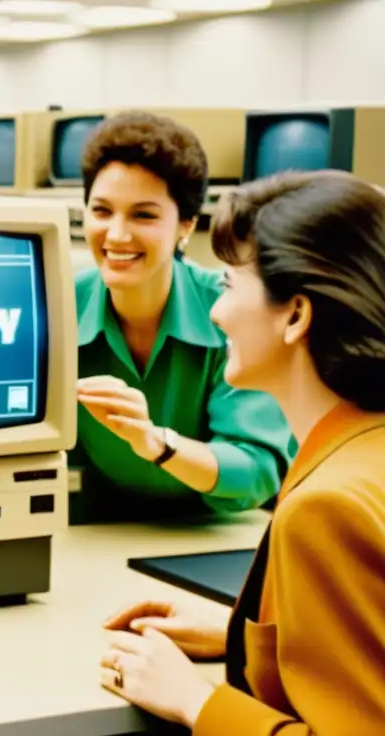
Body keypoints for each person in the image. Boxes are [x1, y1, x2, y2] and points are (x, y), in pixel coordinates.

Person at [101, 170, 385, 736]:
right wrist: (246, 640)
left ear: (296, 315)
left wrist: (193, 701)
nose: (216, 312)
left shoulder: (327, 507)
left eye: (229, 285)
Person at [70, 111, 294, 524]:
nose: (117, 234)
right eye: (102, 211)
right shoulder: (59, 304)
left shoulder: (234, 309)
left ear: (185, 226)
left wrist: (157, 443)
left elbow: (257, 469)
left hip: (209, 535)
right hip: (94, 526)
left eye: (144, 215)